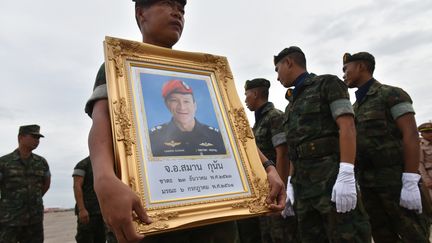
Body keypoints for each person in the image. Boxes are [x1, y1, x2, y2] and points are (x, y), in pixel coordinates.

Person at [85, 1, 286, 242]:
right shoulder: (119, 64)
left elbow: (235, 134)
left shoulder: (205, 72)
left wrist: (268, 168)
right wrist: (104, 178)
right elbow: (102, 121)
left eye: (181, 10)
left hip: (217, 222)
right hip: (152, 223)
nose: (177, 13)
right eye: (167, 4)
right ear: (141, 14)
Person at [274, 46, 371, 242]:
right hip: (303, 187)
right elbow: (294, 148)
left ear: (289, 63)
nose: (277, 77)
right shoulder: (290, 105)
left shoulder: (327, 84)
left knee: (347, 236)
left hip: (331, 182)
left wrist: (346, 172)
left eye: (277, 70)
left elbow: (347, 126)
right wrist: (290, 184)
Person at [342, 51, 429, 242]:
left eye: (346, 69)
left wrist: (410, 178)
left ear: (362, 67)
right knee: (382, 235)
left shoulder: (391, 94)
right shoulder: (354, 108)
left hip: (395, 180)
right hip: (368, 183)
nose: (344, 74)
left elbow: (411, 134)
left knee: (413, 234)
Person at [239, 78, 297, 243]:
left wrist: (283, 189)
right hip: (265, 190)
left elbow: (283, 154)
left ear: (255, 94)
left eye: (247, 95)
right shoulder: (257, 123)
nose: (245, 100)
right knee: (267, 236)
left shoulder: (275, 117)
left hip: (277, 189)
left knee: (281, 235)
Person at [0, 124, 51, 243]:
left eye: (38, 138)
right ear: (21, 137)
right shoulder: (4, 162)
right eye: (34, 137)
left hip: (34, 220)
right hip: (10, 220)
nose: (37, 141)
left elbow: (46, 184)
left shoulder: (41, 162)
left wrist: (32, 199)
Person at [149, 79, 226, 156]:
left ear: (195, 105)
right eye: (174, 101)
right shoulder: (153, 138)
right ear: (167, 105)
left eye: (186, 101)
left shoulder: (216, 136)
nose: (182, 107)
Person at [73, 156, 107, 243]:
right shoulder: (83, 164)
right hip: (88, 213)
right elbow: (77, 186)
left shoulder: (105, 164)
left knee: (101, 239)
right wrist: (82, 209)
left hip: (102, 213)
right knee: (85, 239)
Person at [419, 122, 432, 199]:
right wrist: (427, 180)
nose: (430, 133)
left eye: (431, 131)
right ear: (422, 134)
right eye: (427, 132)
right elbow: (420, 164)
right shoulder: (420, 146)